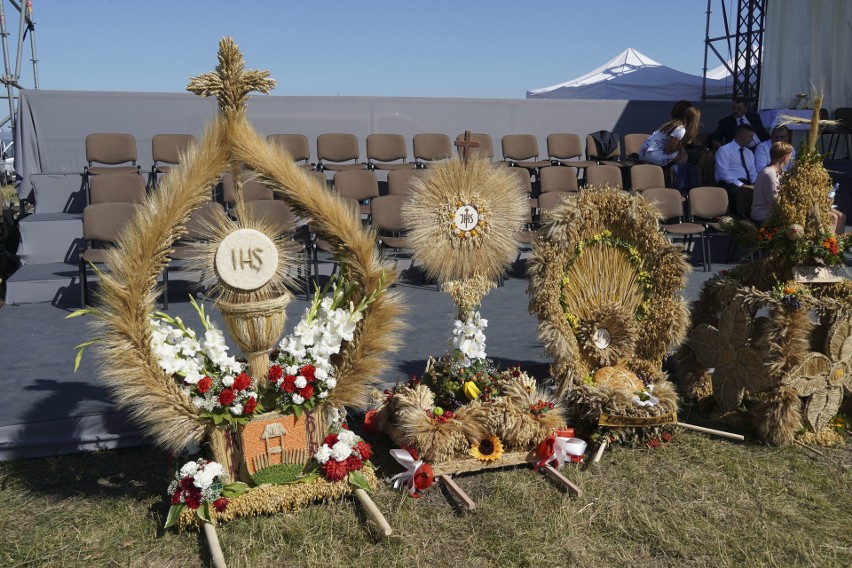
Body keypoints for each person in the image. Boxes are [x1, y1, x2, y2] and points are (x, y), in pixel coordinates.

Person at [715, 124, 758, 211]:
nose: (752, 140)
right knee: (740, 193)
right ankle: (739, 220)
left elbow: (753, 172)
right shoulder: (724, 150)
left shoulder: (749, 153)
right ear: (741, 137)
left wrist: (756, 184)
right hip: (729, 183)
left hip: (746, 183)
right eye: (750, 137)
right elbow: (724, 175)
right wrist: (742, 185)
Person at [751, 141, 793, 223]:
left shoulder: (778, 172)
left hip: (773, 215)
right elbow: (775, 201)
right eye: (790, 157)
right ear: (785, 158)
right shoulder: (770, 173)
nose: (790, 160)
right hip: (764, 217)